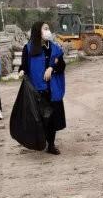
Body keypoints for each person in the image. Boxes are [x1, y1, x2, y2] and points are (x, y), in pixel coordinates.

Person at [18, 22, 66, 155]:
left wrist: (52, 68)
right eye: (45, 29)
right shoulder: (28, 48)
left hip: (52, 89)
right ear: (37, 31)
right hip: (37, 91)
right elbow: (24, 66)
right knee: (40, 119)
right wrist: (21, 71)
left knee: (52, 120)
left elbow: (61, 65)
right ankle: (41, 140)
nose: (48, 31)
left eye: (48, 28)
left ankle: (51, 145)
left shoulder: (55, 48)